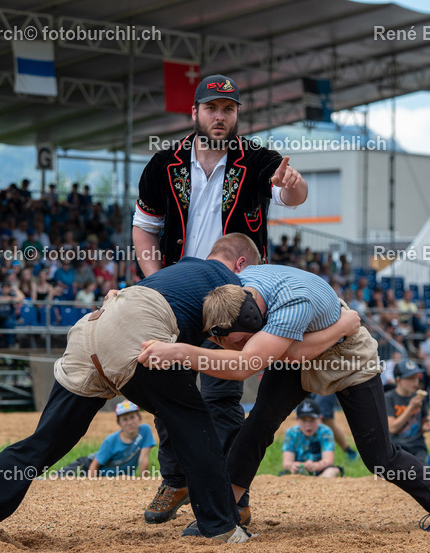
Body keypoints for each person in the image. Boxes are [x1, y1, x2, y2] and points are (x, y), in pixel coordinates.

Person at [0, 236, 319, 543]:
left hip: (93, 330)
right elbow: (238, 345)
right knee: (195, 424)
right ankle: (219, 527)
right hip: (139, 334)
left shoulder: (179, 270)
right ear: (242, 266)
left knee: (46, 441)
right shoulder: (235, 285)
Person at [138, 263, 430, 533]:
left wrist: (180, 351)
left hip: (344, 354)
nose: (236, 349)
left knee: (378, 455)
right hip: (295, 351)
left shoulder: (291, 305)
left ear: (255, 321)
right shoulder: (235, 291)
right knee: (258, 425)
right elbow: (264, 353)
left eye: (239, 343)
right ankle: (226, 513)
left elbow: (282, 356)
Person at [131, 73, 309, 526]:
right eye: (211, 108)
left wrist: (291, 184)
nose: (220, 116)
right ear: (195, 113)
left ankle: (234, 492)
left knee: (221, 396)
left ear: (236, 116)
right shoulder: (163, 163)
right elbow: (144, 227)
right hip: (177, 293)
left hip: (236, 297)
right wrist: (155, 281)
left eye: (228, 110)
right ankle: (176, 479)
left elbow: (294, 195)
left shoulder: (259, 160)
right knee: (163, 386)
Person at [60, 401, 157, 478]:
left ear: (140, 417)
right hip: (88, 466)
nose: (129, 422)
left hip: (118, 478)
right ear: (119, 423)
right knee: (58, 477)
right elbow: (95, 465)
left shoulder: (145, 431)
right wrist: (90, 484)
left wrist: (143, 481)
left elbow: (143, 458)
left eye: (132, 417)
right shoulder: (111, 440)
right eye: (125, 419)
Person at [386, 359, 430, 468]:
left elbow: (424, 420)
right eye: (410, 378)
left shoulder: (420, 398)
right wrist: (411, 408)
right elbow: (392, 428)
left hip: (418, 446)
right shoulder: (389, 398)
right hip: (397, 447)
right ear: (398, 380)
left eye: (416, 377)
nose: (415, 382)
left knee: (424, 474)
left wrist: (426, 426)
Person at [280, 399, 342, 478]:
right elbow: (286, 463)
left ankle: (318, 484)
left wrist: (314, 466)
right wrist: (294, 466)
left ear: (319, 418)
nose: (308, 425)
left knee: (332, 471)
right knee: (285, 475)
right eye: (304, 420)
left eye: (312, 420)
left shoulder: (325, 432)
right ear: (297, 420)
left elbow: (328, 461)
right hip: (297, 471)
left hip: (320, 470)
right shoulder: (291, 433)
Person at [307, 392, 356, 460]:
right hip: (307, 384)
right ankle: (349, 451)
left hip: (326, 384)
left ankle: (314, 457)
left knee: (318, 417)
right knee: (328, 421)